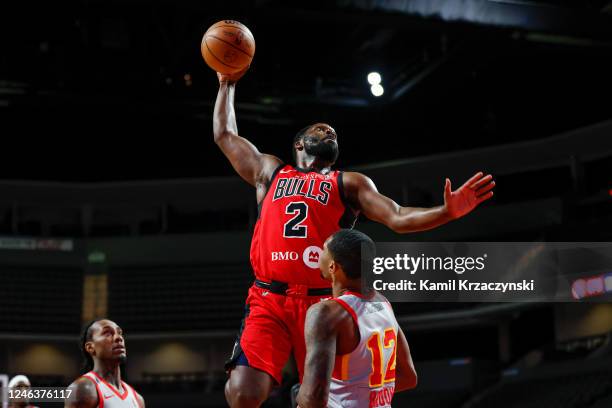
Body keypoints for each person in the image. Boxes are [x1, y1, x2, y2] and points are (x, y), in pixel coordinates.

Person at [215, 68, 494, 407]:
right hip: (269, 297)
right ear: (300, 144)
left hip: (322, 304)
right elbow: (226, 135)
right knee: (243, 393)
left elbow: (398, 216)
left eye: (332, 132)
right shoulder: (270, 171)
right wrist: (226, 82)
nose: (328, 130)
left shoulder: (349, 183)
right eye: (320, 129)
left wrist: (445, 212)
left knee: (320, 399)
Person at [297, 229, 417, 408]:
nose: (319, 254)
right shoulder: (383, 303)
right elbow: (408, 377)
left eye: (323, 250)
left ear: (333, 267)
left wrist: (301, 396)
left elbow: (313, 399)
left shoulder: (326, 313)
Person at [64, 319, 144, 408]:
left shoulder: (137, 399)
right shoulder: (83, 389)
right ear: (90, 347)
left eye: (119, 333)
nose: (119, 338)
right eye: (108, 333)